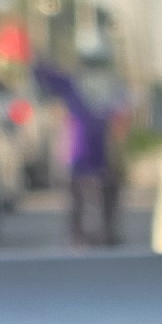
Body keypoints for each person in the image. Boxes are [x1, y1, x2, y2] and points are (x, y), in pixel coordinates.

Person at [36, 61, 124, 246]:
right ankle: (91, 233)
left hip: (90, 153)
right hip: (85, 152)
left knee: (92, 194)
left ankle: (93, 233)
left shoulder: (78, 86)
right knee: (86, 195)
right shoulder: (100, 86)